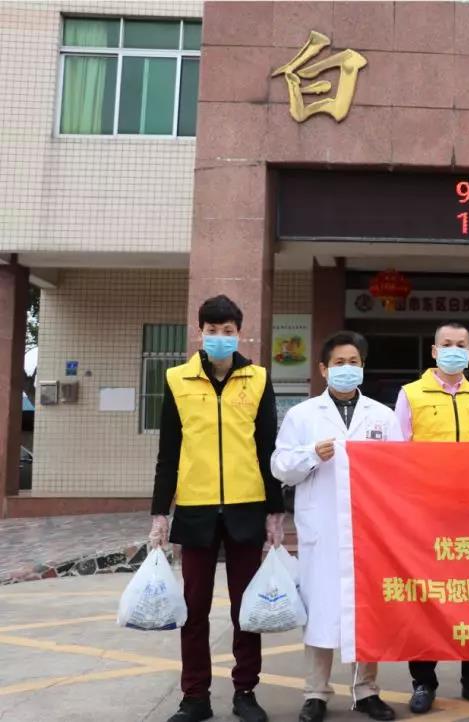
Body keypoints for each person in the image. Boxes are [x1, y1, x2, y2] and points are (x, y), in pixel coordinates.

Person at [150, 295, 284, 722]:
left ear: (239, 333)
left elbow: (267, 448)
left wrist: (275, 511)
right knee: (194, 609)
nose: (220, 338)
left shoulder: (257, 379)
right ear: (200, 334)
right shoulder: (177, 379)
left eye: (228, 331)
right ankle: (195, 697)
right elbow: (168, 452)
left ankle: (246, 691)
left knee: (247, 608)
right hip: (195, 509)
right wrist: (159, 514)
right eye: (213, 331)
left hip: (247, 506)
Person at [271, 331, 399, 722]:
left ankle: (366, 690)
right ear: (324, 369)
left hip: (369, 530)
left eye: (353, 362)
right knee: (321, 611)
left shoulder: (382, 416)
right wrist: (311, 454)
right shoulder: (303, 415)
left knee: (367, 611)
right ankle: (315, 693)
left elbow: (400, 469)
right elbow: (280, 467)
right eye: (339, 363)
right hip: (323, 529)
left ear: (363, 367)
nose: (347, 369)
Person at [393, 322, 469, 714]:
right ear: (434, 351)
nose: (454, 350)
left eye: (461, 345)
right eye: (446, 344)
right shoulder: (411, 394)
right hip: (426, 515)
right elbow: (396, 454)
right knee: (425, 599)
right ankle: (423, 681)